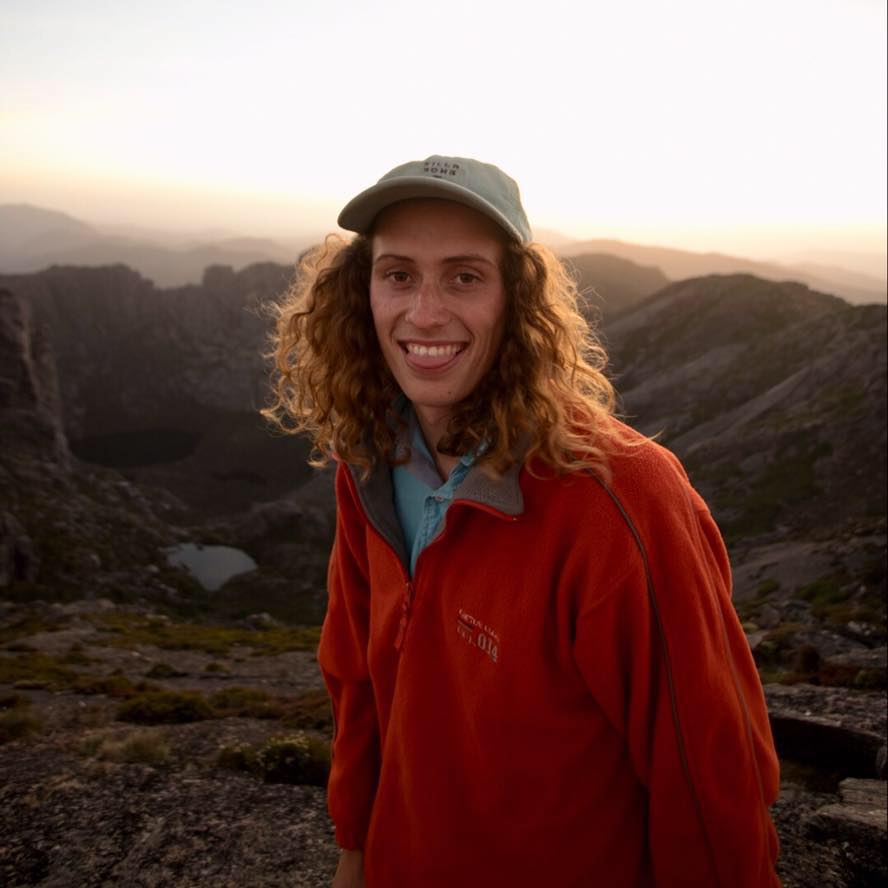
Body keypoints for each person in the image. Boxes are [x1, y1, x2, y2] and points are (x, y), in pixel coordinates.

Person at [265, 155, 781, 887]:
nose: (425, 312)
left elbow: (707, 769)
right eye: (399, 273)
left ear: (516, 300)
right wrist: (355, 850)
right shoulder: (371, 463)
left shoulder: (621, 500)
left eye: (465, 276)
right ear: (363, 292)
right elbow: (357, 680)